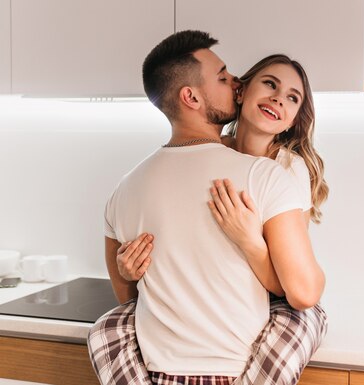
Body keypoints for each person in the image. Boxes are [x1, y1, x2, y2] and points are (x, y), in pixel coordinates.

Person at [88, 30, 326, 385]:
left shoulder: (284, 170)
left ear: (294, 119)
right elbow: (128, 297)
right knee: (107, 326)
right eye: (223, 77)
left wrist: (250, 241)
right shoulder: (256, 172)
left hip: (175, 364)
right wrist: (127, 271)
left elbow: (296, 291)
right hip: (227, 365)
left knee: (305, 313)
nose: (231, 81)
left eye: (292, 98)